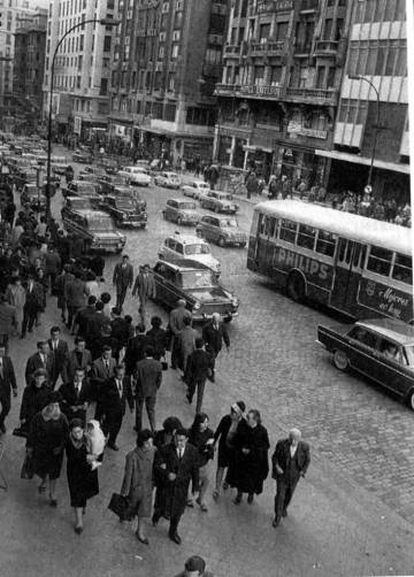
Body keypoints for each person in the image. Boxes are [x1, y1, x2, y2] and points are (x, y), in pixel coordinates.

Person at [153, 427, 199, 544]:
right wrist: (167, 473)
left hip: (181, 488)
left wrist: (195, 488)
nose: (179, 443)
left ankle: (173, 532)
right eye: (177, 440)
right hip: (166, 487)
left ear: (187, 440)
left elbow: (195, 470)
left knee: (177, 511)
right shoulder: (165, 449)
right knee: (163, 505)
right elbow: (157, 465)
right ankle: (157, 515)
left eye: (181, 440)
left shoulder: (192, 451)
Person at [26, 391, 69, 506]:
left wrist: (61, 447)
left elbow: (66, 434)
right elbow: (32, 433)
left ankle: (52, 494)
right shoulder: (39, 417)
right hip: (42, 449)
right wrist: (29, 447)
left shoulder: (62, 418)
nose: (54, 408)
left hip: (55, 451)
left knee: (54, 473)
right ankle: (44, 481)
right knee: (43, 469)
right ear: (47, 404)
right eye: (51, 405)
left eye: (56, 405)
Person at [120, 429, 155, 544]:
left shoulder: (153, 451)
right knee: (131, 507)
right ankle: (124, 516)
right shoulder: (132, 456)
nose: (150, 445)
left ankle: (140, 531)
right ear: (141, 443)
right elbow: (128, 475)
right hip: (135, 489)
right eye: (147, 443)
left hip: (147, 488)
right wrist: (124, 492)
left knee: (143, 512)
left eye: (151, 442)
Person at [65, 418, 99, 534]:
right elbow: (71, 457)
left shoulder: (89, 439)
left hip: (87, 471)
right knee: (76, 495)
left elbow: (98, 453)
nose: (77, 434)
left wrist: (94, 457)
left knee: (84, 492)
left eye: (79, 431)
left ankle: (83, 504)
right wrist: (86, 458)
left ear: (83, 430)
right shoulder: (69, 441)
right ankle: (79, 522)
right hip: (74, 472)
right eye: (75, 432)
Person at [272, 428, 310, 527]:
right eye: (292, 439)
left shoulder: (304, 447)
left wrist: (302, 471)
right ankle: (278, 516)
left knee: (288, 495)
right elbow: (274, 457)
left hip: (294, 476)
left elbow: (307, 460)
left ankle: (284, 508)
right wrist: (277, 467)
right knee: (280, 495)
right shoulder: (281, 444)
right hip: (282, 475)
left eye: (296, 439)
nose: (294, 442)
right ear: (289, 438)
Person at [230, 409, 270, 505]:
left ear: (255, 420)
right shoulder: (243, 427)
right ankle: (239, 495)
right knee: (240, 479)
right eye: (247, 417)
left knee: (252, 481)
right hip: (243, 460)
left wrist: (253, 450)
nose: (246, 419)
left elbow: (266, 446)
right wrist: (241, 448)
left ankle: (251, 494)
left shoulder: (262, 431)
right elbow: (236, 440)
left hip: (254, 462)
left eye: (249, 418)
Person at [212, 401, 246, 501]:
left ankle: (227, 480)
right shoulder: (226, 419)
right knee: (221, 467)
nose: (231, 414)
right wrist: (213, 444)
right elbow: (218, 432)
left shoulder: (243, 424)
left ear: (240, 414)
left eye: (234, 412)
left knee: (231, 467)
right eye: (231, 411)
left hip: (235, 451)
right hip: (224, 448)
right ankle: (217, 488)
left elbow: (245, 439)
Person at [152, 416, 183, 525]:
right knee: (161, 493)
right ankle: (157, 513)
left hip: (170, 470)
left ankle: (164, 511)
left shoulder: (176, 439)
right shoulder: (159, 436)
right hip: (161, 470)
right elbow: (157, 451)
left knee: (168, 494)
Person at [102, 364, 133, 450]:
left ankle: (112, 442)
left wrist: (131, 406)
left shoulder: (126, 380)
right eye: (119, 375)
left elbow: (129, 393)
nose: (121, 376)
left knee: (117, 427)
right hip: (110, 410)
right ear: (115, 374)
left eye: (123, 374)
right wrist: (103, 412)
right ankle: (101, 442)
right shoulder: (108, 382)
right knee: (106, 427)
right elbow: (104, 399)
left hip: (121, 410)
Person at [188, 413, 215, 512]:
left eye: (207, 422)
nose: (206, 425)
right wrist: (203, 447)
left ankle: (201, 498)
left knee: (206, 480)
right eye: (203, 423)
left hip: (204, 461)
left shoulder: (210, 433)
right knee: (191, 479)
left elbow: (211, 447)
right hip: (193, 462)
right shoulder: (191, 433)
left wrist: (211, 456)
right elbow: (192, 448)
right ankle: (190, 498)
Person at [134, 346, 162, 432]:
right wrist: (156, 387)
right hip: (152, 390)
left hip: (141, 389)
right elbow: (159, 379)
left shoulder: (139, 364)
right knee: (151, 410)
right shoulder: (158, 364)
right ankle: (153, 428)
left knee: (139, 410)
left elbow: (136, 377)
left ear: (145, 353)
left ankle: (139, 427)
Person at [185, 338, 214, 413]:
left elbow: (188, 369)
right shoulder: (207, 355)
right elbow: (211, 364)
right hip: (203, 377)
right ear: (203, 346)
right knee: (200, 394)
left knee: (192, 389)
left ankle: (190, 397)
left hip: (194, 376)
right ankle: (198, 410)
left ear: (195, 345)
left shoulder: (192, 355)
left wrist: (187, 379)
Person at [19, 368, 50, 435]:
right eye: (37, 378)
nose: (39, 381)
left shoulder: (47, 390)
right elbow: (24, 403)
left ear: (45, 379)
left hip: (41, 416)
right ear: (34, 378)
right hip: (30, 416)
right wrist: (22, 416)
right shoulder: (28, 389)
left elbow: (48, 405)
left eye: (41, 379)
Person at [90, 345, 116, 421]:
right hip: (101, 391)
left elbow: (114, 373)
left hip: (111, 391)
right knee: (99, 411)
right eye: (106, 354)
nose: (108, 356)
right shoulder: (96, 363)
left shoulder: (113, 361)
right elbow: (94, 377)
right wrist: (104, 381)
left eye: (110, 354)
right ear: (102, 353)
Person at [202, 313, 229, 382]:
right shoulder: (207, 327)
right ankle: (211, 375)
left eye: (218, 320)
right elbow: (204, 337)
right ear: (212, 319)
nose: (216, 321)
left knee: (211, 359)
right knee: (212, 359)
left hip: (218, 346)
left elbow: (225, 335)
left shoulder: (222, 326)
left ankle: (206, 367)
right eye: (215, 320)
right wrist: (206, 344)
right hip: (210, 346)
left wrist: (227, 344)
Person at [169, 299, 192, 370]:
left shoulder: (173, 312)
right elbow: (190, 324)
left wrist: (176, 332)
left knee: (175, 350)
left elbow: (171, 324)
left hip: (176, 335)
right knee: (183, 349)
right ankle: (181, 364)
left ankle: (174, 364)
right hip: (185, 334)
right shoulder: (188, 313)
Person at [0, 344, 17, 433]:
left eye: (3, 351)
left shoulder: (7, 360)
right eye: (0, 351)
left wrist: (14, 387)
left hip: (5, 389)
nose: (1, 353)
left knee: (7, 407)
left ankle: (0, 421)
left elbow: (11, 374)